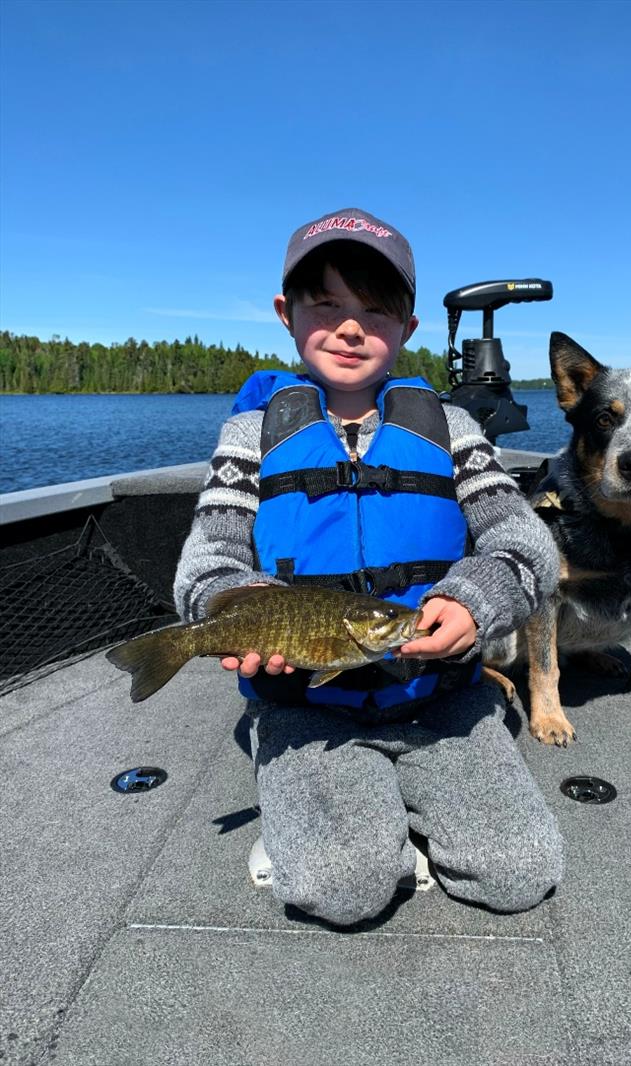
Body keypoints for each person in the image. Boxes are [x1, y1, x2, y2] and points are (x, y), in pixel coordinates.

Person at [174, 207, 564, 927]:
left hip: (442, 700)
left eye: (376, 311)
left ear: (408, 328)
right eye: (327, 305)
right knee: (342, 891)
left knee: (521, 874)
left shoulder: (452, 428)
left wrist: (475, 600)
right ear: (287, 315)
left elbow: (524, 538)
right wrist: (232, 603)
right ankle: (330, 809)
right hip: (308, 709)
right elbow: (208, 561)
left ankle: (391, 809)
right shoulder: (248, 435)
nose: (352, 327)